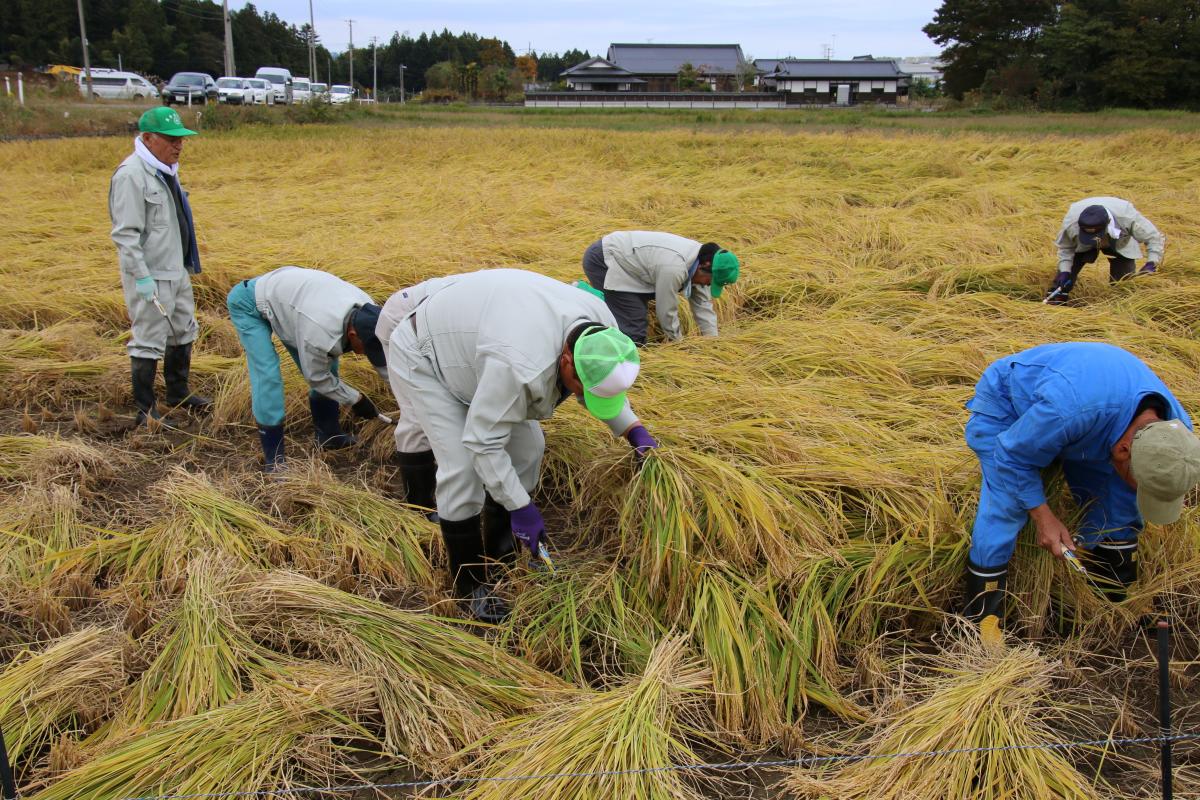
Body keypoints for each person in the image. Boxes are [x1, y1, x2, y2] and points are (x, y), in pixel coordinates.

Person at [385, 269, 658, 621]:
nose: (580, 398)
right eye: (580, 390)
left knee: (529, 450)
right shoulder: (520, 367)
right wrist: (520, 506)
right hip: (427, 356)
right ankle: (470, 587)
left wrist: (633, 430)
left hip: (479, 349)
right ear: (565, 361)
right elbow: (483, 444)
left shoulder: (605, 333)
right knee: (464, 468)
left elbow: (602, 380)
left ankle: (502, 555)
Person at [963, 343, 1200, 640]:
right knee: (1008, 506)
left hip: (1094, 423)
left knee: (1120, 498)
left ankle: (1113, 600)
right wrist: (1043, 516)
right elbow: (1011, 456)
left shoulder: (1176, 436)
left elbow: (1135, 479)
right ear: (1124, 450)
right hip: (1010, 406)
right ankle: (982, 623)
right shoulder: (1067, 411)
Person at [226, 266, 390, 472]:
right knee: (267, 375)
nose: (368, 354)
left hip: (295, 302)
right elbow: (317, 378)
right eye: (367, 349)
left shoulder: (370, 313)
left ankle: (329, 436)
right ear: (352, 334)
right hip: (250, 302)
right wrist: (356, 399)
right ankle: (274, 460)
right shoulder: (319, 331)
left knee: (328, 366)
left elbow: (386, 366)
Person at [109, 106, 210, 424]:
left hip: (175, 269)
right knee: (149, 338)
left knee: (183, 330)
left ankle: (178, 392)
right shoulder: (131, 176)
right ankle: (145, 410)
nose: (178, 145)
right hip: (151, 274)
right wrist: (142, 278)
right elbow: (126, 235)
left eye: (181, 139)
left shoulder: (166, 170)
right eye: (170, 139)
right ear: (147, 138)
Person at [580, 231, 740, 345]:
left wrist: (712, 344)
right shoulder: (674, 267)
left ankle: (590, 297)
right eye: (710, 281)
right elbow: (666, 310)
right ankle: (630, 364)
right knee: (634, 327)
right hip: (605, 260)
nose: (707, 285)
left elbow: (703, 306)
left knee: (632, 311)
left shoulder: (703, 262)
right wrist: (678, 343)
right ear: (705, 266)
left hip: (636, 267)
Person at [1045, 197, 1165, 304]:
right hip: (1082, 244)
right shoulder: (1071, 224)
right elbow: (1066, 248)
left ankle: (1122, 305)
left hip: (1119, 242)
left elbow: (1153, 237)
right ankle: (1056, 299)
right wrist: (1065, 271)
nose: (1097, 240)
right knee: (1064, 278)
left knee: (1124, 283)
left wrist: (1152, 262)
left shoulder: (1126, 216)